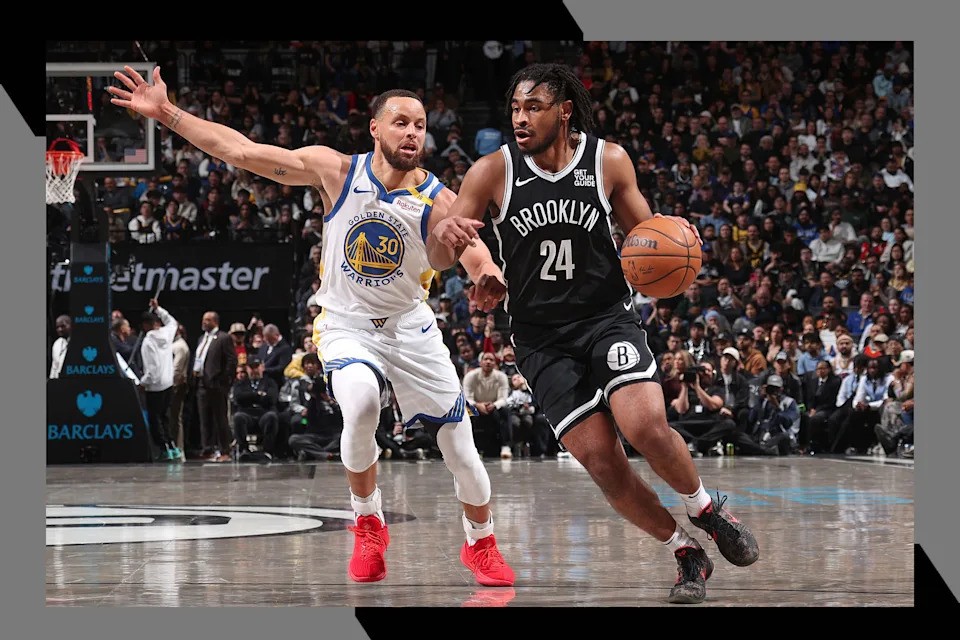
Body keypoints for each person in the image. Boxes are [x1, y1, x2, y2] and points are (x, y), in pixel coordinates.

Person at [110, 66, 514, 586]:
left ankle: (481, 543)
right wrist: (166, 112)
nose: (412, 133)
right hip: (346, 324)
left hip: (411, 327)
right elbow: (242, 151)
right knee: (363, 403)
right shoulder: (337, 171)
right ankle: (368, 522)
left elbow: (471, 243)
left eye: (419, 125)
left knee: (461, 448)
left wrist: (487, 274)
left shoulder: (437, 196)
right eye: (400, 123)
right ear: (375, 128)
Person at [427, 63, 758, 604]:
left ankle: (705, 510)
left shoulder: (608, 160)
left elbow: (649, 240)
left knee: (646, 425)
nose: (520, 118)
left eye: (532, 107)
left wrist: (680, 242)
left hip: (606, 319)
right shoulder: (491, 171)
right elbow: (443, 256)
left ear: (564, 111)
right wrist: (445, 234)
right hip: (540, 338)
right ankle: (685, 550)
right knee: (604, 464)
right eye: (514, 108)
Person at [138, 299, 182, 461]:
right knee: (165, 416)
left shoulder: (148, 342)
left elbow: (152, 369)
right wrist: (159, 308)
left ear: (145, 325)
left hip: (155, 386)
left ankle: (164, 449)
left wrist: (143, 383)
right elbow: (172, 321)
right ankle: (172, 445)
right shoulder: (167, 333)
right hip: (168, 383)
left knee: (155, 419)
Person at [193, 311, 237, 461]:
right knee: (204, 418)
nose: (204, 322)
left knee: (220, 418)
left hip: (217, 384)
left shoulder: (224, 338)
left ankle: (225, 450)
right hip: (201, 383)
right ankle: (208, 449)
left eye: (208, 320)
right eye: (203, 319)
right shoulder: (201, 338)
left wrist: (224, 380)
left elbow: (231, 361)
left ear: (215, 322)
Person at [49, 315, 71, 379]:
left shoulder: (77, 343)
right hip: (59, 382)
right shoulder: (57, 344)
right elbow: (54, 367)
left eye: (63, 326)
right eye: (57, 327)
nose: (60, 329)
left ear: (71, 325)